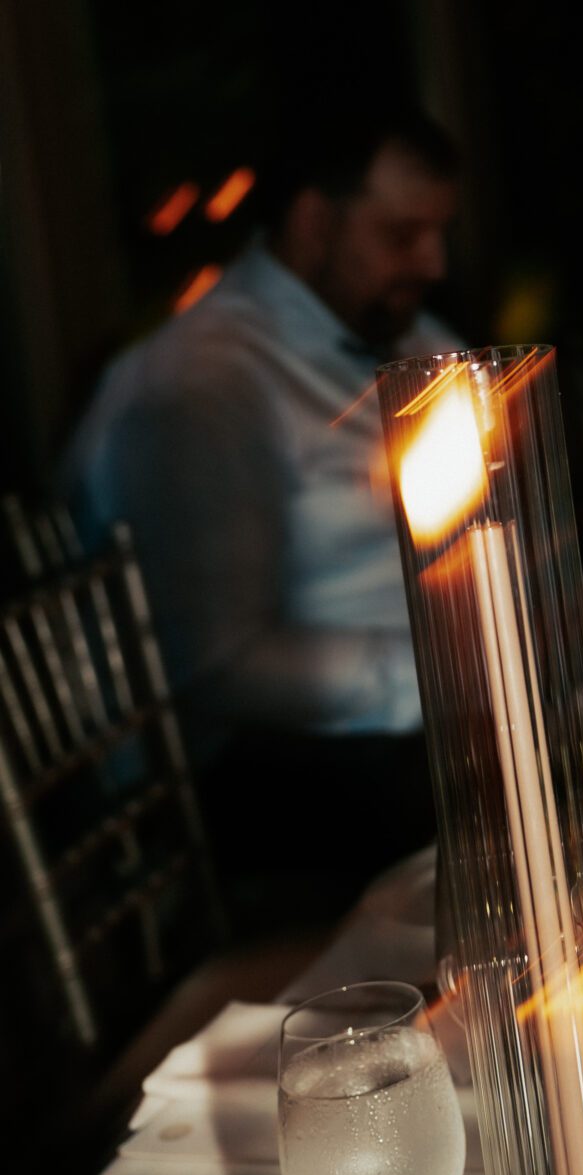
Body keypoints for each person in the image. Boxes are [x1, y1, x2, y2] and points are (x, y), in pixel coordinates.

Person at [65, 96, 461, 930]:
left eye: (437, 233)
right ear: (314, 221)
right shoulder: (200, 385)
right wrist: (452, 681)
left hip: (427, 717)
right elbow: (217, 665)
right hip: (269, 785)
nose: (434, 261)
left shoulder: (410, 334)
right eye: (401, 236)